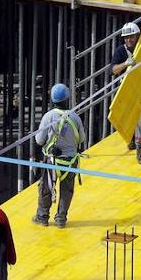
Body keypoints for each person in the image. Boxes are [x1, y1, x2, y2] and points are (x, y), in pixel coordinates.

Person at [32, 83, 85, 229]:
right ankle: (61, 218)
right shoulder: (75, 117)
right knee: (67, 190)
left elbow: (39, 140)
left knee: (46, 187)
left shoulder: (48, 117)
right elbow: (81, 139)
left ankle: (42, 216)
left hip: (52, 161)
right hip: (70, 161)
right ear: (68, 99)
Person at [111, 21, 141, 165]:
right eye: (126, 38)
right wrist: (126, 64)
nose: (129, 40)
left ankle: (140, 150)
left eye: (131, 37)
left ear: (138, 36)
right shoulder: (121, 51)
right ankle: (132, 139)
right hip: (127, 91)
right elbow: (113, 70)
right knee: (128, 118)